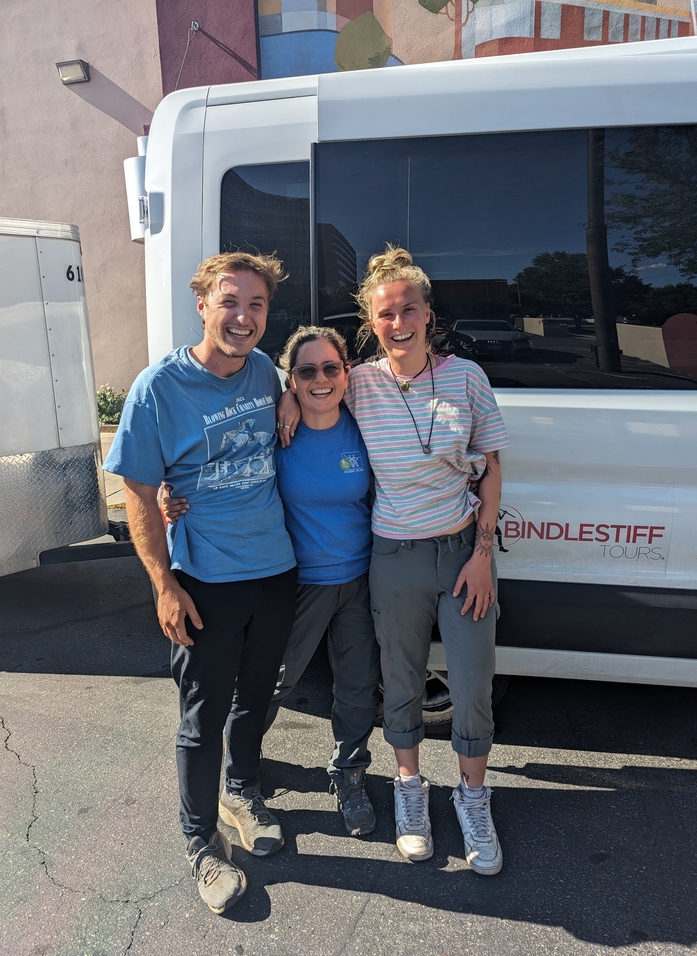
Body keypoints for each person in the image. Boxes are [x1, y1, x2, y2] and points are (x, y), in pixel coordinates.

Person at [279, 246, 510, 873]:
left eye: (409, 309)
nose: (399, 322)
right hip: (394, 555)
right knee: (401, 681)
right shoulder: (361, 383)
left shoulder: (467, 377)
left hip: (462, 553)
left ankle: (473, 798)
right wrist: (286, 399)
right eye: (386, 313)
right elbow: (311, 381)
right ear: (372, 323)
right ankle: (411, 790)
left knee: (471, 683)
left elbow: (491, 468)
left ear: (428, 314)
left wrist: (483, 552)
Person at [103, 252, 298, 916]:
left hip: (274, 570)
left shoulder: (266, 372)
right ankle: (200, 843)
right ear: (203, 305)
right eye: (230, 301)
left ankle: (241, 791)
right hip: (205, 578)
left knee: (256, 697)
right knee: (202, 716)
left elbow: (309, 390)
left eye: (256, 305)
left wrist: (292, 393)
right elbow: (136, 492)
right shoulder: (159, 388)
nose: (243, 317)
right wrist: (164, 584)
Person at [163, 326, 381, 837]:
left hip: (360, 577)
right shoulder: (273, 434)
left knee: (357, 686)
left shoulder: (365, 425)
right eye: (306, 371)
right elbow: (214, 470)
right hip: (298, 582)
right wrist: (166, 495)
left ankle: (349, 772)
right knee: (271, 683)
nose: (321, 379)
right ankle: (239, 773)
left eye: (331, 368)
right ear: (290, 379)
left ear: (346, 372)